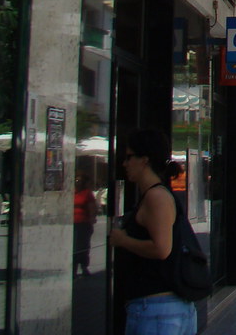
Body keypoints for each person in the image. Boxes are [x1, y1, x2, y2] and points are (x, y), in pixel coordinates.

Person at [110, 129, 197, 335]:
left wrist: (123, 240)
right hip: (164, 309)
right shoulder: (155, 195)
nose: (125, 163)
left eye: (129, 157)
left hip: (157, 310)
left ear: (144, 160)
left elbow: (161, 249)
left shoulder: (156, 197)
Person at [73, 171, 98, 276]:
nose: (77, 182)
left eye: (80, 181)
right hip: (73, 223)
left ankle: (84, 266)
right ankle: (73, 269)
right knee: (73, 246)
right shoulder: (73, 192)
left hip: (83, 223)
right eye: (76, 180)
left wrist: (92, 218)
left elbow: (92, 207)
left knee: (83, 246)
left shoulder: (87, 193)